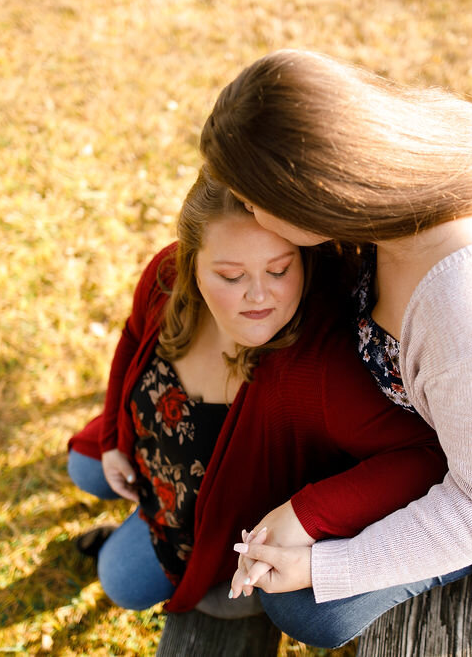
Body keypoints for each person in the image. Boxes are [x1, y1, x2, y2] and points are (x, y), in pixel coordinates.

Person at [201, 49, 472, 647]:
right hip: (411, 428)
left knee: (309, 613)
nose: (248, 213)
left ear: (313, 195)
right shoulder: (396, 192)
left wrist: (325, 568)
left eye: (252, 201)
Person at [65, 166, 448, 617]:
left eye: (279, 269)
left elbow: (424, 454)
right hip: (149, 449)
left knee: (120, 581)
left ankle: (180, 568)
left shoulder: (320, 371)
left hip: (209, 524)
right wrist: (112, 440)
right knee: (84, 465)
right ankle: (132, 508)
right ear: (190, 262)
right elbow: (132, 338)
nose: (260, 296)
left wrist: (306, 514)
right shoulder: (166, 276)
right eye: (231, 276)